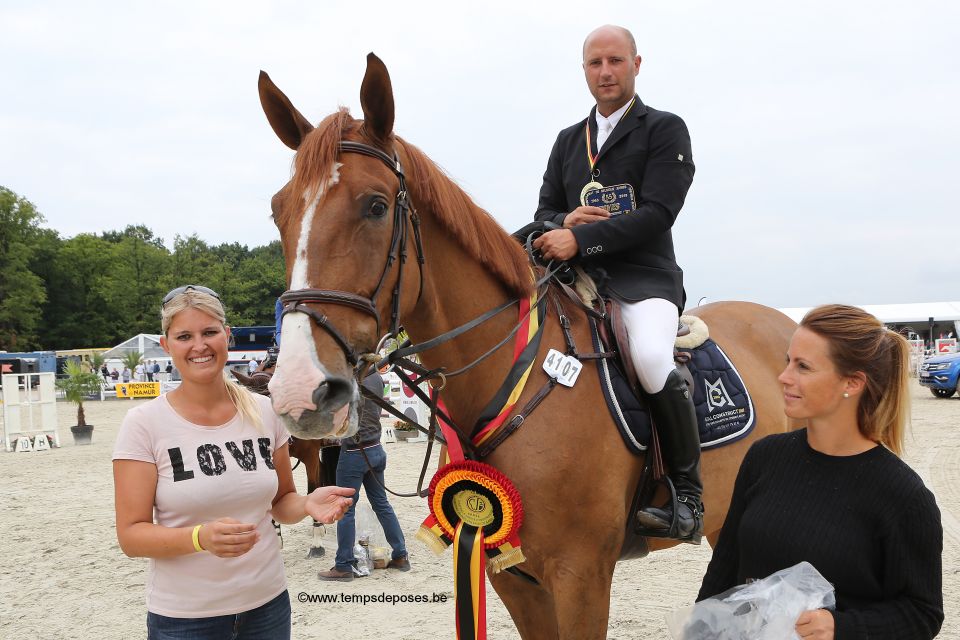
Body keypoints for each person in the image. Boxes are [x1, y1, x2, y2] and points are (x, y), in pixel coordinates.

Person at [532, 24, 701, 541]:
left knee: (651, 357)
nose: (605, 72)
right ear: (584, 70)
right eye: (595, 64)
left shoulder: (665, 129)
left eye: (615, 61)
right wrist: (563, 224)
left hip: (643, 279)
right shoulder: (567, 141)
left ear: (636, 64)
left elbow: (658, 213)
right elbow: (542, 212)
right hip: (573, 279)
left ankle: (686, 495)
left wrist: (583, 240)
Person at [112, 284, 355, 639]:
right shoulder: (143, 424)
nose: (199, 346)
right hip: (186, 618)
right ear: (167, 346)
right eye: (184, 336)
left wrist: (306, 504)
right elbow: (131, 536)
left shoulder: (265, 412)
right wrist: (199, 538)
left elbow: (281, 503)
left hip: (268, 606)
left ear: (227, 337)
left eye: (210, 332)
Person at [698, 304, 943, 639]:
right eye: (788, 361)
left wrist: (840, 627)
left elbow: (922, 613)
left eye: (804, 367)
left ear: (852, 383)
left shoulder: (904, 496)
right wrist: (699, 628)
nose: (784, 377)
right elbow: (724, 566)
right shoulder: (764, 457)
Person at [318, 367, 410, 581]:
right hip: (376, 448)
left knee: (345, 509)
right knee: (382, 504)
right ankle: (400, 555)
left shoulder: (348, 379)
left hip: (354, 452)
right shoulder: (375, 376)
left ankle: (343, 565)